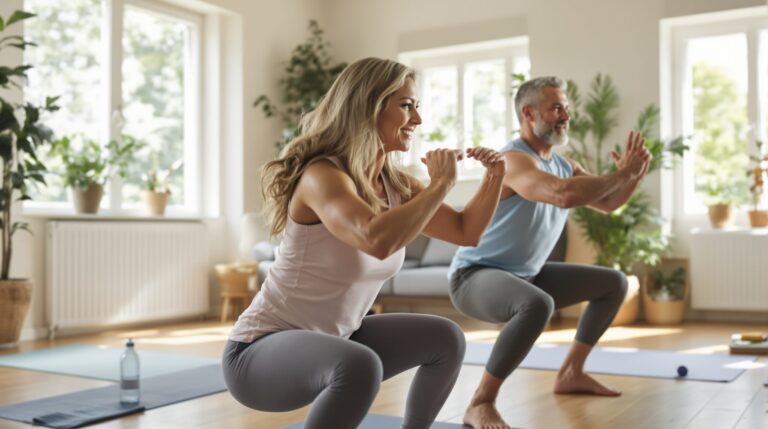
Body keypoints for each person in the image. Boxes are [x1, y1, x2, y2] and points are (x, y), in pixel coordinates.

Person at [222, 57, 506, 429]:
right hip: (259, 353)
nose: (417, 120)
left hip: (339, 339)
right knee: (358, 364)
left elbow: (466, 231)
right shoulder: (322, 176)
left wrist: (495, 177)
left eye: (416, 106)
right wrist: (440, 184)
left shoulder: (396, 185)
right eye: (406, 106)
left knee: (446, 337)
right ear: (368, 106)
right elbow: (375, 239)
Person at [447, 76, 652, 429]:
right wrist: (622, 173)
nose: (566, 115)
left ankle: (572, 372)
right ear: (529, 113)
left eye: (566, 108)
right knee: (536, 304)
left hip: (528, 273)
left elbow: (608, 203)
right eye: (556, 107)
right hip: (476, 275)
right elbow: (563, 195)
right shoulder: (512, 160)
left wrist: (631, 176)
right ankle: (481, 402)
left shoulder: (564, 164)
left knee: (614, 283)